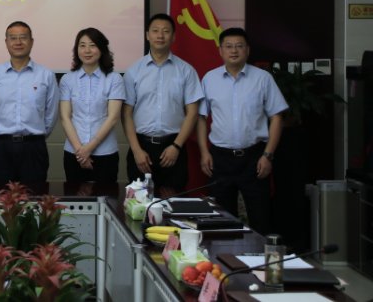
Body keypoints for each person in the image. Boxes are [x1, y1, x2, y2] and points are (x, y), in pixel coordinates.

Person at [197, 27, 288, 234]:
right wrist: (204, 152)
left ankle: (259, 256)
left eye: (239, 46)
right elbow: (201, 118)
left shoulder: (263, 78)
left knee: (260, 218)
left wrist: (268, 155)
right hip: (220, 158)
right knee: (222, 221)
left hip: (254, 157)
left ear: (247, 50)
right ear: (220, 51)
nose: (234, 51)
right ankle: (226, 255)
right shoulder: (209, 79)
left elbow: (277, 117)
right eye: (228, 46)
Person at [122, 13, 203, 191]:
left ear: (173, 37)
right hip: (141, 147)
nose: (160, 35)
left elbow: (192, 113)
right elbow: (126, 114)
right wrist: (136, 150)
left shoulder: (186, 70)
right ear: (147, 35)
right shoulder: (133, 71)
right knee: (140, 204)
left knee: (172, 201)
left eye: (166, 31)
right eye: (155, 31)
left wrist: (176, 146)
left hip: (173, 146)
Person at [0, 21, 59, 186]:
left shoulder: (46, 75)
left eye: (23, 37)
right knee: (0, 197)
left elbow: (51, 114)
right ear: (6, 42)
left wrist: (36, 136)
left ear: (31, 41)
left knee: (35, 196)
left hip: (34, 147)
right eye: (13, 38)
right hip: (1, 147)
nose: (18, 42)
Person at [59, 28, 125, 185]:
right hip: (74, 153)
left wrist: (88, 148)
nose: (87, 50)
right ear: (77, 50)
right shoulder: (67, 79)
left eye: (92, 45)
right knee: (74, 197)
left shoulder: (114, 79)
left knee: (106, 197)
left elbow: (113, 118)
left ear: (102, 49)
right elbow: (65, 117)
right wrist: (80, 151)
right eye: (82, 45)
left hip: (105, 153)